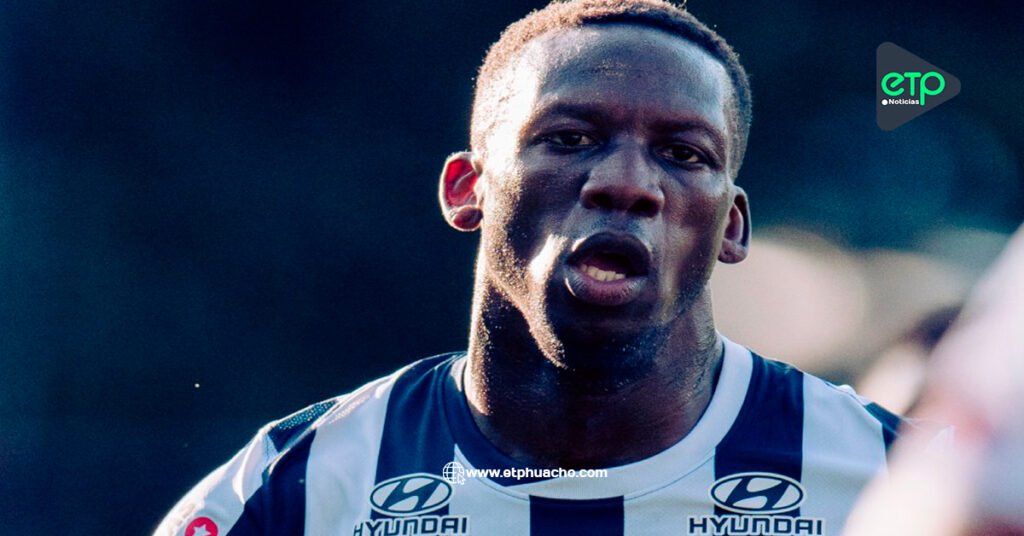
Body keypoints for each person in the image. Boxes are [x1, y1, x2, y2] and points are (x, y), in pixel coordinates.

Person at [156, 1, 929, 534]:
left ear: (731, 226)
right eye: (570, 138)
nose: (626, 183)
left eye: (683, 153)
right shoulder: (294, 492)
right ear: (468, 190)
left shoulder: (900, 484)